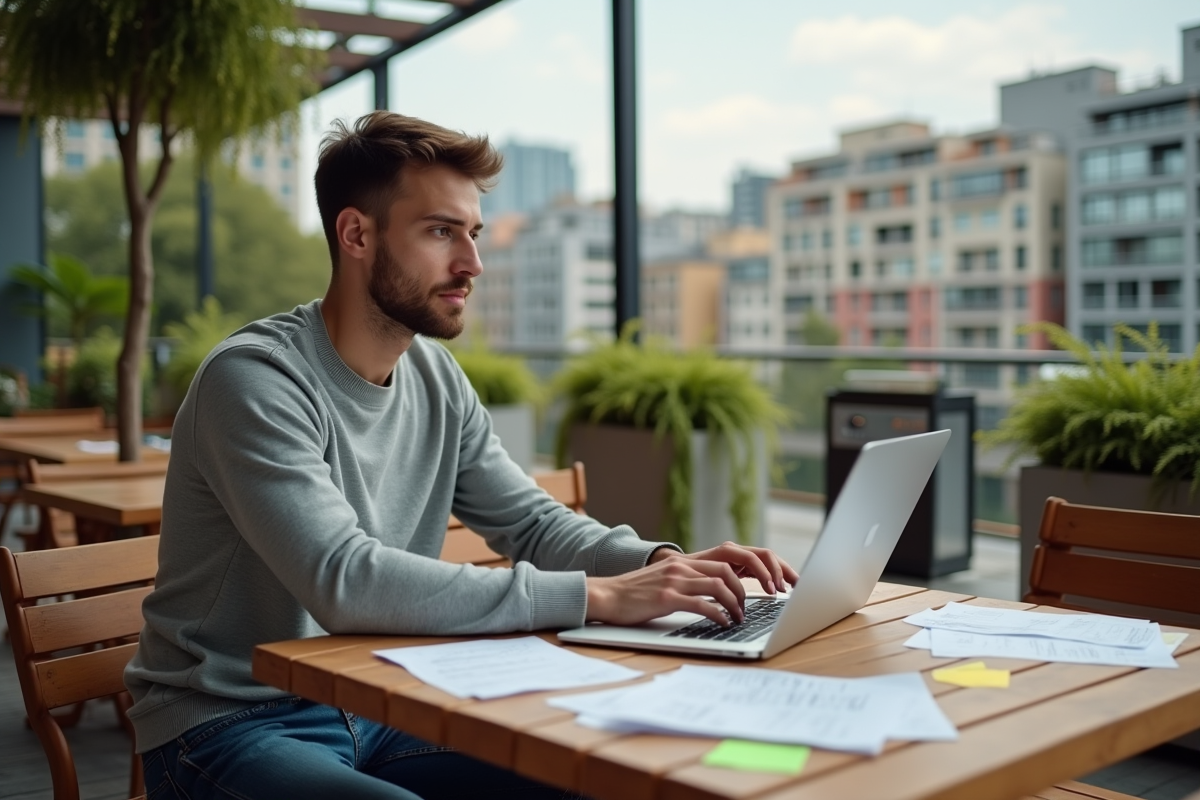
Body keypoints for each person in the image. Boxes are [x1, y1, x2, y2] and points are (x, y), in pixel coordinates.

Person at [125, 111, 800, 800]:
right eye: (442, 232)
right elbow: (344, 580)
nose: (472, 263)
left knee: (609, 776)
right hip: (228, 722)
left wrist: (662, 565)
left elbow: (534, 526)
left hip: (382, 701)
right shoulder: (255, 380)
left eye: (472, 234)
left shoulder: (436, 377)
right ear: (356, 233)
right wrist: (597, 597)